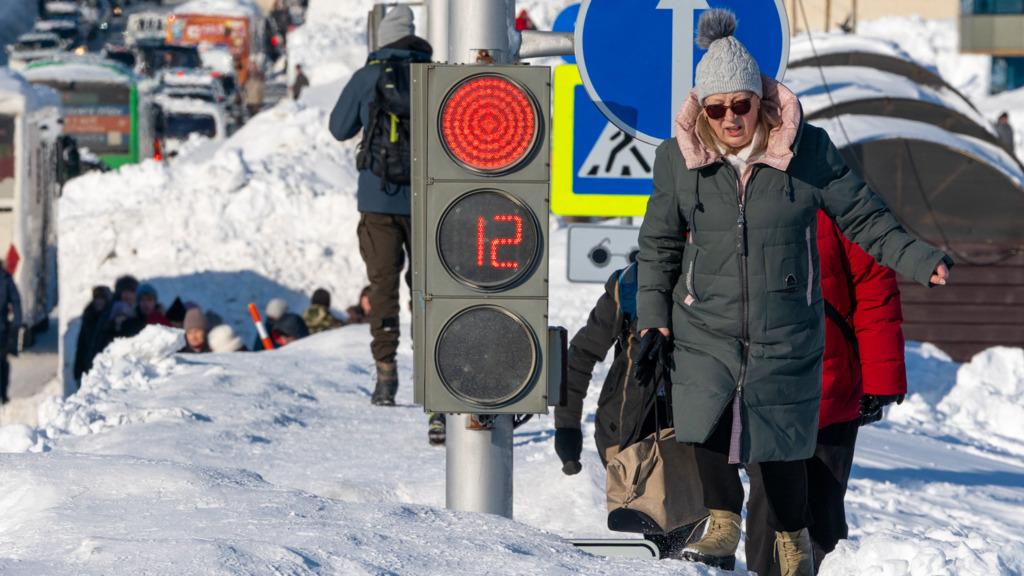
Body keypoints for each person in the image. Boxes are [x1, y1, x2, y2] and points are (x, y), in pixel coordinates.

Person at [635, 10, 951, 576]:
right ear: (700, 109)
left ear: (761, 99)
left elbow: (865, 217)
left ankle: (791, 536)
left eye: (741, 104)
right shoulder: (676, 160)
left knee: (777, 436)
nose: (730, 118)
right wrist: (651, 319)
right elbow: (657, 246)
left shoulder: (806, 151)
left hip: (786, 321)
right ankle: (722, 520)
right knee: (703, 411)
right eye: (716, 108)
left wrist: (920, 259)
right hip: (704, 318)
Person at [745, 211, 908, 576]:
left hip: (831, 388)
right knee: (767, 504)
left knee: (824, 505)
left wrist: (879, 381)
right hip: (759, 385)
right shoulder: (734, 194)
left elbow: (875, 288)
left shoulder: (841, 201)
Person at [554, 262, 708, 559]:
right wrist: (567, 425)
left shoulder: (718, 275)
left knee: (685, 535)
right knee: (659, 538)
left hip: (696, 430)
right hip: (628, 432)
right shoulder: (629, 283)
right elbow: (581, 355)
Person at [328, 5, 432, 407]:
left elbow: (339, 129)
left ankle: (386, 378)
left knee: (383, 286)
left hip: (376, 199)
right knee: (426, 290)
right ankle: (431, 378)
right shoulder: (433, 74)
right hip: (427, 200)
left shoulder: (368, 75)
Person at [74, 286, 110, 387]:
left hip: (104, 369)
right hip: (88, 366)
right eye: (97, 298)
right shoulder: (88, 316)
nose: (99, 301)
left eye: (102, 298)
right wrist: (77, 372)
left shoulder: (110, 318)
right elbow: (81, 345)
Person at [0, 266, 22, 404]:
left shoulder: (5, 278)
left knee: (2, 364)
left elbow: (16, 301)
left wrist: (16, 323)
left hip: (1, 330)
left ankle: (3, 394)